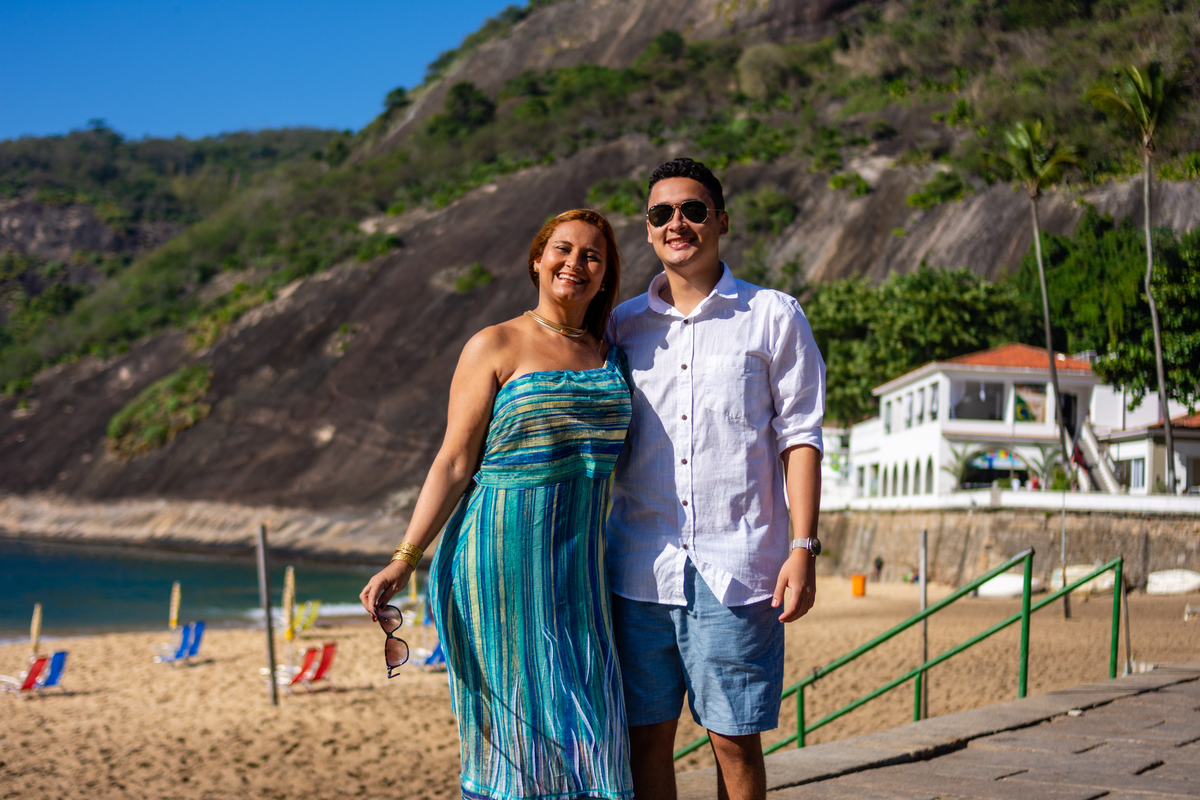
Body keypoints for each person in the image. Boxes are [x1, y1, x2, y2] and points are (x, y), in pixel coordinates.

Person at [360, 209, 634, 800]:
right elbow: (454, 462)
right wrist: (404, 558)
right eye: (562, 249)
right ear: (537, 259)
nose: (575, 263)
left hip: (580, 568)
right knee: (515, 734)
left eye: (592, 255)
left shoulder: (612, 353)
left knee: (593, 722)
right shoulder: (495, 343)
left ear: (605, 274)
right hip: (498, 560)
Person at [605, 158, 826, 800]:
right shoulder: (621, 326)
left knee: (734, 741)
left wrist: (803, 548)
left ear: (721, 222)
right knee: (645, 740)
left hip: (738, 568)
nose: (677, 223)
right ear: (649, 229)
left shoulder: (773, 314)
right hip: (638, 568)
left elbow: (801, 436)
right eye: (661, 213)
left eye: (693, 210)